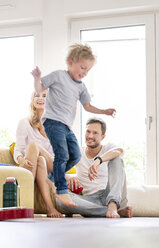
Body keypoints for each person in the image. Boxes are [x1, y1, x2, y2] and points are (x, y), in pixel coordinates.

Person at [31, 43, 116, 207]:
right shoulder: (58, 76)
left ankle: (53, 177)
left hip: (66, 127)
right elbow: (39, 88)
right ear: (70, 62)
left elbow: (88, 106)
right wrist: (36, 78)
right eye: (82, 67)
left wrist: (104, 111)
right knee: (61, 154)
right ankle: (61, 190)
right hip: (52, 121)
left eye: (87, 70)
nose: (84, 72)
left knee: (76, 155)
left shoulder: (81, 87)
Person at [59, 117, 132, 218]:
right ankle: (112, 212)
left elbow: (118, 151)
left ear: (103, 137)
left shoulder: (108, 148)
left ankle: (112, 205)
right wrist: (69, 177)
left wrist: (99, 160)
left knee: (117, 159)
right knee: (61, 198)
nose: (90, 136)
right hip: (91, 200)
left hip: (111, 194)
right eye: (88, 132)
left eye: (95, 133)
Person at [14, 90, 63, 218]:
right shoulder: (24, 123)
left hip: (49, 169)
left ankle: (44, 207)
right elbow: (18, 150)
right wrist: (22, 160)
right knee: (34, 148)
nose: (40, 98)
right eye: (37, 95)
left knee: (41, 157)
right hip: (28, 168)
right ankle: (49, 206)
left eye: (45, 96)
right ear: (32, 101)